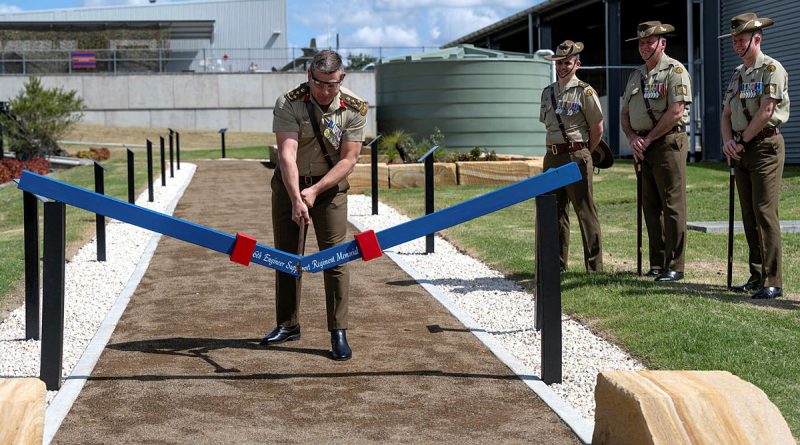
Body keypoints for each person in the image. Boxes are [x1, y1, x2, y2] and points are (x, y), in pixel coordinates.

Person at [261, 50, 367, 359]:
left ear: (341, 79)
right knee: (285, 255)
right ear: (309, 76)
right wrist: (296, 197)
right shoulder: (288, 102)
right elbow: (286, 154)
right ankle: (288, 324)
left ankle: (338, 332)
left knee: (334, 257)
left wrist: (316, 190)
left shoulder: (354, 107)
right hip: (289, 187)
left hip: (329, 189)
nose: (324, 91)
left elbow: (349, 159)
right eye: (319, 83)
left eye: (332, 85)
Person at [720, 13, 789, 299]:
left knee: (764, 211)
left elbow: (766, 111)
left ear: (756, 39)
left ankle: (773, 280)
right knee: (748, 214)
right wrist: (728, 142)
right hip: (741, 150)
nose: (737, 45)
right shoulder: (738, 74)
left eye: (742, 40)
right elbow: (726, 113)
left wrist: (740, 140)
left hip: (764, 147)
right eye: (734, 41)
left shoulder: (772, 69)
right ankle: (756, 274)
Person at [621, 21, 692, 282]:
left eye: (649, 42)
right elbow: (625, 113)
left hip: (667, 144)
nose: (644, 47)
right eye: (641, 42)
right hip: (643, 147)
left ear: (662, 44)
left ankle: (675, 264)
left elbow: (675, 111)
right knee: (650, 206)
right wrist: (632, 138)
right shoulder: (635, 75)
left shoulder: (675, 70)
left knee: (672, 205)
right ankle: (657, 262)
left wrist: (648, 138)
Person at [539, 40, 606, 272]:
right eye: (559, 63)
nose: (562, 67)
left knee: (585, 211)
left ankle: (594, 267)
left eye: (567, 63)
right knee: (553, 211)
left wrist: (584, 151)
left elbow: (597, 128)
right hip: (552, 156)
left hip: (576, 156)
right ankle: (556, 264)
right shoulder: (547, 92)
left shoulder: (585, 92)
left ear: (577, 64)